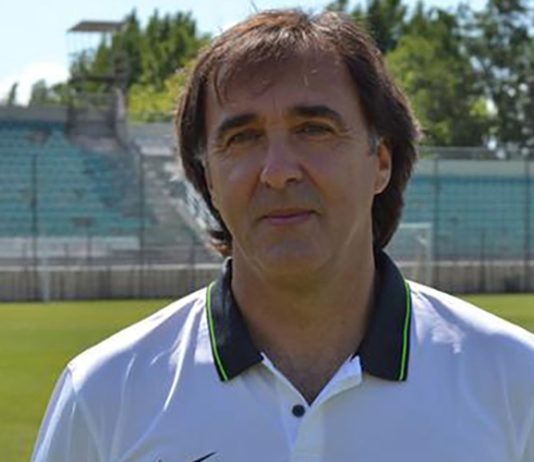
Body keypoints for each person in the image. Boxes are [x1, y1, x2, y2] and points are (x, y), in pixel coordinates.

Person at [32, 9, 534, 462]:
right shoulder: (103, 394)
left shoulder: (516, 379)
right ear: (208, 179)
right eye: (242, 138)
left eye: (314, 128)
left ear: (380, 162)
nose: (277, 172)